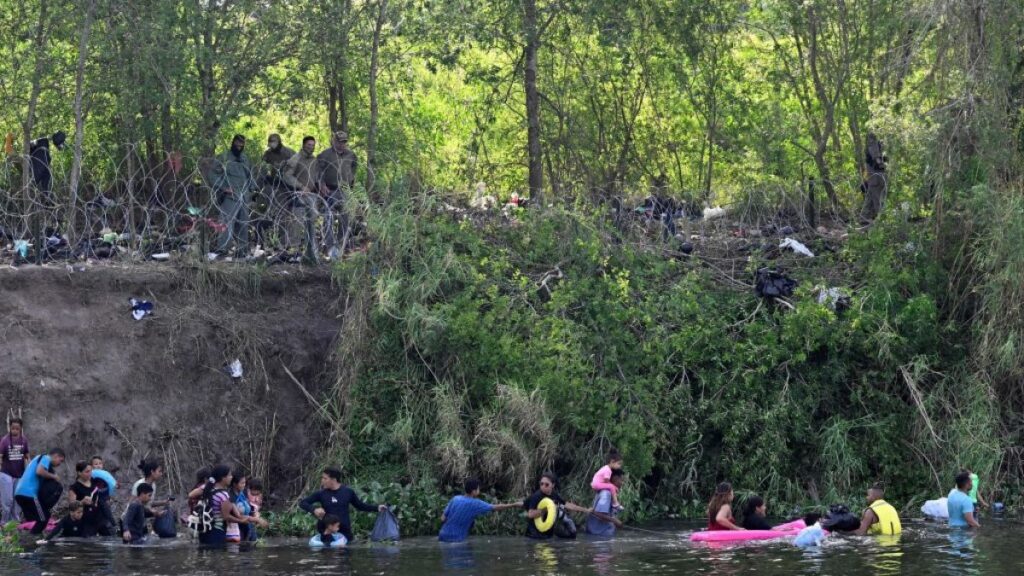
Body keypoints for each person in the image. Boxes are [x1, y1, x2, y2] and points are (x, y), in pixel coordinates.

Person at [299, 467, 388, 543]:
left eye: (325, 478)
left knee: (345, 560)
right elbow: (302, 503)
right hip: (327, 532)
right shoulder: (321, 493)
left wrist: (377, 508)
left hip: (345, 531)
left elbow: (360, 506)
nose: (322, 481)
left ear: (333, 479)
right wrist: (314, 509)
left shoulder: (348, 492)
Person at [208, 134, 255, 258]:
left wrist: (253, 191)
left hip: (244, 197)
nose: (239, 146)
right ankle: (222, 250)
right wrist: (224, 187)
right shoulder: (223, 157)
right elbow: (212, 174)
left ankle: (242, 252)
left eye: (242, 144)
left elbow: (250, 176)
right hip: (231, 196)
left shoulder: (245, 158)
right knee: (226, 224)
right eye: (237, 143)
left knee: (243, 225)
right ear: (233, 142)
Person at [315, 130, 358, 259]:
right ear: (334, 141)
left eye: (344, 142)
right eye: (339, 142)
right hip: (330, 190)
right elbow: (317, 171)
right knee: (328, 217)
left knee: (346, 217)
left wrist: (351, 184)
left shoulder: (351, 155)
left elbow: (354, 169)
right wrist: (321, 185)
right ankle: (329, 246)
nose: (341, 144)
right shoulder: (325, 155)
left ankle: (340, 245)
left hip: (345, 190)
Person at [438, 478, 522, 542]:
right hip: (456, 539)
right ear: (473, 491)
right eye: (478, 489)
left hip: (442, 535)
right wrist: (514, 504)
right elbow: (495, 507)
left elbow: (442, 518)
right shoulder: (475, 503)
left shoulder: (455, 499)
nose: (479, 491)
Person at [281, 135, 319, 262]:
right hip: (298, 195)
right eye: (309, 145)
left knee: (311, 222)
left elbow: (317, 176)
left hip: (312, 195)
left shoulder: (314, 160)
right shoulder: (296, 158)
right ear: (303, 145)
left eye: (313, 145)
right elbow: (287, 176)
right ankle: (294, 250)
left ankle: (310, 250)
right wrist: (300, 186)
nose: (311, 148)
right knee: (296, 222)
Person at [523, 472, 592, 539]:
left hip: (547, 534)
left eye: (546, 484)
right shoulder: (536, 496)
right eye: (541, 484)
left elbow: (567, 505)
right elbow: (530, 514)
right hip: (533, 535)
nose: (543, 486)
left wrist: (585, 510)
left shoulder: (554, 495)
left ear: (553, 485)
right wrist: (548, 508)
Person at [14, 448, 65, 534]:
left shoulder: (37, 458)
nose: (60, 464)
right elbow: (39, 471)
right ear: (56, 456)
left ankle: (31, 535)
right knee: (44, 518)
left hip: (19, 493)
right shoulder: (46, 458)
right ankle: (33, 538)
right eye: (61, 460)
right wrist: (54, 476)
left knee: (39, 517)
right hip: (29, 494)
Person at [66, 460, 108, 537]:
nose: (90, 473)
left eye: (91, 471)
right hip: (84, 520)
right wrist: (82, 502)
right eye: (87, 472)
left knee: (108, 538)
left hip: (98, 517)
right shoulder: (74, 488)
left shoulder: (94, 482)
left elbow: (102, 492)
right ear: (79, 473)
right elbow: (71, 507)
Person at [1, 418, 29, 524]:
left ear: (21, 428)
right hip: (6, 474)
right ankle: (4, 523)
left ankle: (15, 523)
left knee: (17, 500)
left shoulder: (24, 440)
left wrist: (29, 468)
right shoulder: (5, 440)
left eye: (17, 428)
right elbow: (0, 455)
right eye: (13, 428)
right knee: (8, 500)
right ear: (10, 428)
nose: (15, 431)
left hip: (19, 474)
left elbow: (26, 455)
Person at [586, 468, 626, 537]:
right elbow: (599, 514)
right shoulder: (606, 493)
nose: (622, 483)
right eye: (621, 480)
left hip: (599, 535)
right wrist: (615, 521)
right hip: (599, 536)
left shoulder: (607, 492)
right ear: (615, 478)